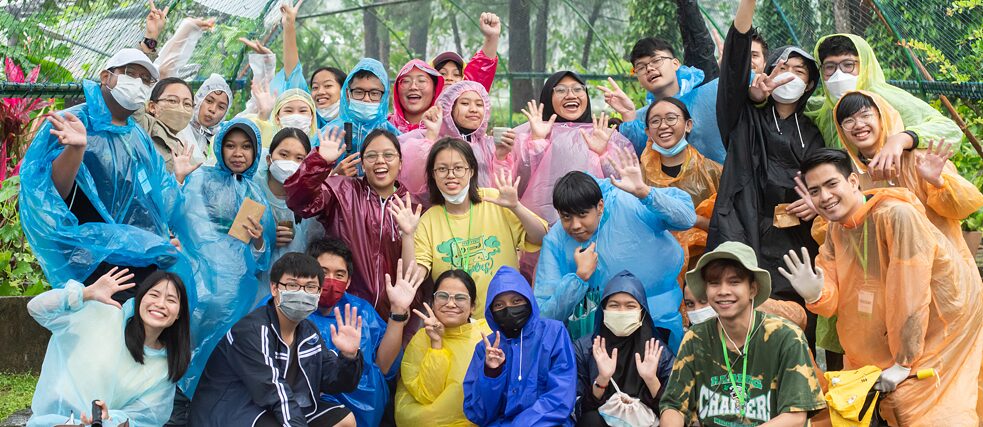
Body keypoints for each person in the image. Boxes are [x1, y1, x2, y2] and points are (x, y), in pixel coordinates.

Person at [785, 148, 983, 426]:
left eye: (831, 184)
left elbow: (909, 293)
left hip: (944, 325)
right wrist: (816, 293)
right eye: (815, 191)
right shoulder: (837, 228)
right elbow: (832, 290)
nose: (825, 197)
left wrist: (903, 362)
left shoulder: (897, 215)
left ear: (853, 181)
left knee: (922, 408)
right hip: (891, 335)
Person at [19, 48, 196, 301]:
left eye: (145, 80)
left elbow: (157, 199)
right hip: (95, 265)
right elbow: (51, 193)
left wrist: (162, 235)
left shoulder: (138, 137)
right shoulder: (73, 121)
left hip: (144, 261)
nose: (138, 83)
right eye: (130, 74)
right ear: (106, 77)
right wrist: (76, 148)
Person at [709, 0, 824, 323]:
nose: (790, 77)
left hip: (796, 247)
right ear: (767, 74)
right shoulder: (742, 118)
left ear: (810, 85)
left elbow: (830, 181)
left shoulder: (814, 133)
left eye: (800, 72)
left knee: (798, 329)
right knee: (745, 329)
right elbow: (733, 65)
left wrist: (815, 203)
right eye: (783, 68)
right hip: (743, 235)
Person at [534, 149, 695, 349]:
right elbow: (545, 314)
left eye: (582, 214)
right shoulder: (556, 240)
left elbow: (687, 218)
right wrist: (579, 278)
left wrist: (646, 193)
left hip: (655, 325)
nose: (574, 225)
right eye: (566, 217)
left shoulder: (629, 201)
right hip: (593, 341)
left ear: (600, 206)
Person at [659, 241, 826, 426]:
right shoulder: (695, 338)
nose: (723, 291)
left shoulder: (786, 337)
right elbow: (673, 405)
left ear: (752, 289)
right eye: (714, 283)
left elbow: (796, 415)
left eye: (734, 282)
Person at [190, 252, 364, 426]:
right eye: (292, 285)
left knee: (344, 420)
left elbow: (333, 382)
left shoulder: (309, 332)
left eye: (310, 287)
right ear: (274, 288)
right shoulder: (253, 330)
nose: (301, 293)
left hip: (271, 408)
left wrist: (349, 357)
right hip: (231, 411)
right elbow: (273, 390)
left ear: (318, 292)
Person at [170, 118, 276, 398]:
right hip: (197, 275)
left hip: (237, 285)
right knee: (187, 335)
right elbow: (181, 218)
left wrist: (257, 240)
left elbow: (263, 258)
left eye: (245, 147)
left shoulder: (255, 193)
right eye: (230, 145)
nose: (237, 153)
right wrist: (179, 178)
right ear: (219, 147)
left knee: (220, 347)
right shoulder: (201, 178)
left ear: (256, 152)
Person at [401, 138, 549, 318]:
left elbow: (540, 237)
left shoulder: (495, 200)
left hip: (504, 320)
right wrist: (408, 235)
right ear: (433, 175)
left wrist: (516, 207)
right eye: (442, 169)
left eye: (458, 168)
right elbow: (414, 278)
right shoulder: (429, 220)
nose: (450, 175)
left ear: (471, 171)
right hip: (456, 326)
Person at [829, 91, 983, 259]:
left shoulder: (917, 158)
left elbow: (963, 208)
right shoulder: (848, 173)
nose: (858, 125)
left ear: (882, 119)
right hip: (889, 270)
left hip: (940, 264)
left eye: (865, 115)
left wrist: (938, 182)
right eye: (848, 121)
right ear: (841, 130)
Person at [28, 269, 191, 427]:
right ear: (140, 299)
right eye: (154, 295)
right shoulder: (102, 315)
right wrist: (86, 294)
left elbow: (146, 417)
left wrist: (111, 419)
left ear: (178, 314)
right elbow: (37, 309)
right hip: (55, 420)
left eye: (171, 300)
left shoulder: (164, 366)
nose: (160, 304)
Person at [286, 128, 419, 322]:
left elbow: (418, 269)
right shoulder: (342, 191)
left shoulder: (412, 207)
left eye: (388, 155)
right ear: (363, 165)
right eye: (371, 156)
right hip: (341, 313)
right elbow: (299, 201)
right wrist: (319, 162)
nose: (380, 161)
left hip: (395, 316)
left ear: (400, 163)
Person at [805, 34, 963, 176]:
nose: (838, 75)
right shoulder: (826, 109)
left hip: (905, 184)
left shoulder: (886, 98)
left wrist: (903, 139)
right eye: (830, 67)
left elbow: (950, 130)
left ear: (865, 66)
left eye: (848, 65)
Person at [304, 238, 422, 427]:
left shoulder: (361, 311)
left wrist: (398, 311)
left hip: (364, 411)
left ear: (349, 281)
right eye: (323, 272)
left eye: (339, 275)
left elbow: (384, 366)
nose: (330, 281)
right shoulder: (287, 306)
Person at [599, 0, 723, 162]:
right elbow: (640, 160)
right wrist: (628, 115)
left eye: (656, 60)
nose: (649, 69)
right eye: (641, 67)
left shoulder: (709, 93)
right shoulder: (639, 117)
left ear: (675, 63)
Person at [511, 71, 635, 223]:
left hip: (598, 228)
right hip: (539, 228)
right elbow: (517, 183)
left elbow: (627, 186)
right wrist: (537, 143)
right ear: (548, 97)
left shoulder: (603, 134)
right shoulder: (529, 133)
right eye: (561, 90)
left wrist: (603, 154)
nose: (571, 95)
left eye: (577, 89)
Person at [463, 266, 577, 426]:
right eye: (499, 305)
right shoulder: (485, 348)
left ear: (529, 301)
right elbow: (478, 413)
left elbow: (561, 396)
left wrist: (522, 424)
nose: (509, 309)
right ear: (491, 310)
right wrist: (492, 372)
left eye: (516, 301)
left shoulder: (553, 332)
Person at [574, 271, 674, 427]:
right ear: (603, 310)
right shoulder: (585, 348)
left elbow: (674, 411)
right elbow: (577, 409)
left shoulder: (657, 351)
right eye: (614, 305)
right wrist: (602, 380)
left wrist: (651, 380)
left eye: (630, 306)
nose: (622, 312)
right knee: (590, 420)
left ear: (642, 312)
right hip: (601, 423)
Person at [395, 269, 492, 426]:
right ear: (433, 303)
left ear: (473, 306)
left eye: (460, 298)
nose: (451, 304)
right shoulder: (421, 338)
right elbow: (427, 395)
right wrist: (436, 343)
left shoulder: (487, 334)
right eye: (443, 296)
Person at [640, 97, 721, 271]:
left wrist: (694, 220)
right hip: (656, 267)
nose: (663, 126)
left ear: (688, 125)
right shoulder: (638, 177)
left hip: (706, 267)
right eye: (655, 121)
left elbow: (727, 226)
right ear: (648, 132)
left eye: (671, 118)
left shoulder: (714, 172)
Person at [399, 80, 512, 202]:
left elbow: (499, 192)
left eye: (479, 105)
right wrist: (431, 136)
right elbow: (417, 184)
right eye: (465, 103)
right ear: (449, 108)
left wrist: (501, 157)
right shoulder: (427, 138)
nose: (474, 109)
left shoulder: (488, 145)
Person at [256, 127, 324, 266]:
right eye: (284, 155)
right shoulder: (253, 190)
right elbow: (237, 245)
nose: (290, 163)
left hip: (297, 280)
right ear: (269, 159)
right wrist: (266, 239)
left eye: (299, 158)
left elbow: (315, 246)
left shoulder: (311, 200)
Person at [324, 58, 401, 162]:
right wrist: (335, 175)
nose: (366, 99)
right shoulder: (329, 134)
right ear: (347, 94)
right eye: (359, 92)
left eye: (374, 93)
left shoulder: (395, 137)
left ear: (384, 97)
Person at [133, 77, 197, 172]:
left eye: (187, 104)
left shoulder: (184, 147)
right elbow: (131, 100)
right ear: (152, 107)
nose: (181, 108)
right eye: (172, 101)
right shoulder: (144, 124)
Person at [431, 12, 501, 90]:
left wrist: (492, 37)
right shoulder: (422, 99)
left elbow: (482, 70)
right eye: (442, 73)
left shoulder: (467, 95)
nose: (449, 78)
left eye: (457, 74)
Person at [180, 73, 232, 166]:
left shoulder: (220, 140)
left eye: (221, 107)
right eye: (209, 101)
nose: (212, 109)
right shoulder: (181, 125)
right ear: (199, 99)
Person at [389, 59, 445, 133]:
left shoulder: (446, 130)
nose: (413, 87)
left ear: (435, 90)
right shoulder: (382, 126)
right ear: (396, 90)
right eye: (406, 81)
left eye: (421, 81)